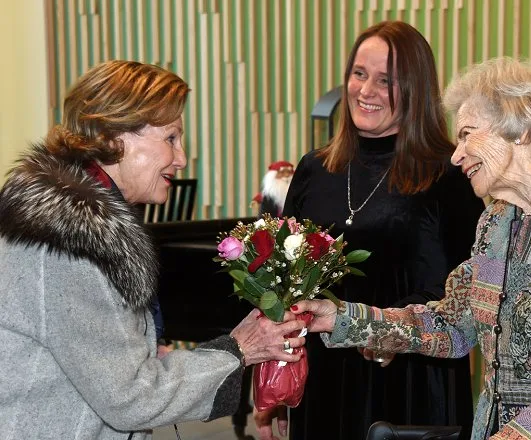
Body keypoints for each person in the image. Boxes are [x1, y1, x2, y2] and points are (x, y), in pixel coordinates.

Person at [291, 56, 531, 440]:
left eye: (467, 134)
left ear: (519, 128)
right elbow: (453, 324)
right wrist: (341, 319)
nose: (456, 154)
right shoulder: (497, 221)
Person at [0, 60, 307, 440]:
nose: (180, 158)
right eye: (171, 138)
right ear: (115, 137)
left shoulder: (73, 227)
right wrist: (238, 349)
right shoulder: (67, 245)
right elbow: (132, 398)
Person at [255, 20, 484, 440]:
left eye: (386, 80)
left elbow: (464, 295)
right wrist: (280, 385)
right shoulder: (313, 168)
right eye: (359, 74)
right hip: (324, 377)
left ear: (414, 89)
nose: (366, 90)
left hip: (413, 378)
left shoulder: (450, 174)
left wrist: (387, 332)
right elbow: (287, 289)